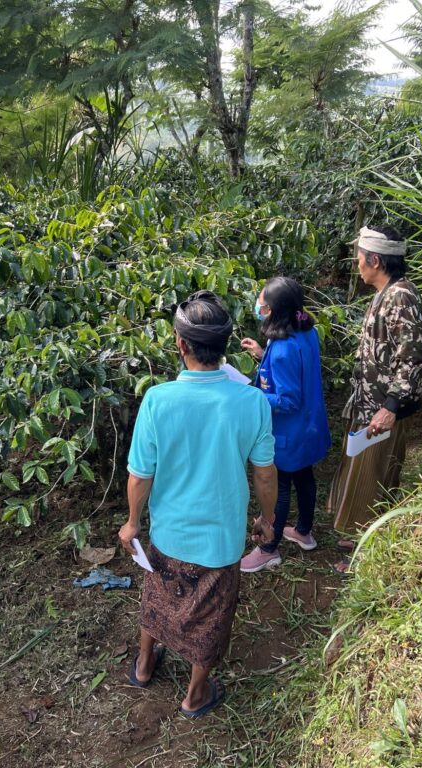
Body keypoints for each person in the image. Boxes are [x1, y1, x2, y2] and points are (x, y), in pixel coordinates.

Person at [118, 290, 278, 718]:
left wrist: (133, 522)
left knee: (157, 596)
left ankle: (146, 664)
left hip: (169, 533)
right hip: (221, 540)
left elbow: (140, 474)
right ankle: (194, 695)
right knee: (212, 616)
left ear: (181, 344)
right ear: (224, 345)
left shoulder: (158, 399)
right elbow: (264, 473)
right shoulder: (253, 403)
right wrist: (266, 519)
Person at [327, 225, 422, 572]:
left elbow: (411, 355)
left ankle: (365, 558)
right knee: (362, 476)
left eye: (359, 259)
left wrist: (391, 407)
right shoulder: (387, 292)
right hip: (371, 405)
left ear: (375, 259)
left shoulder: (401, 295)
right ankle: (357, 540)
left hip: (382, 410)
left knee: (374, 480)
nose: (357, 266)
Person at [237, 276, 330, 573]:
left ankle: (269, 548)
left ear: (275, 309)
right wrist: (263, 356)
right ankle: (304, 532)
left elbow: (288, 400)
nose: (259, 307)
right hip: (309, 426)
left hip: (289, 433)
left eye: (262, 304)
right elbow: (296, 371)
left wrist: (254, 397)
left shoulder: (284, 347)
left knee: (280, 488)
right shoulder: (306, 331)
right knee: (305, 477)